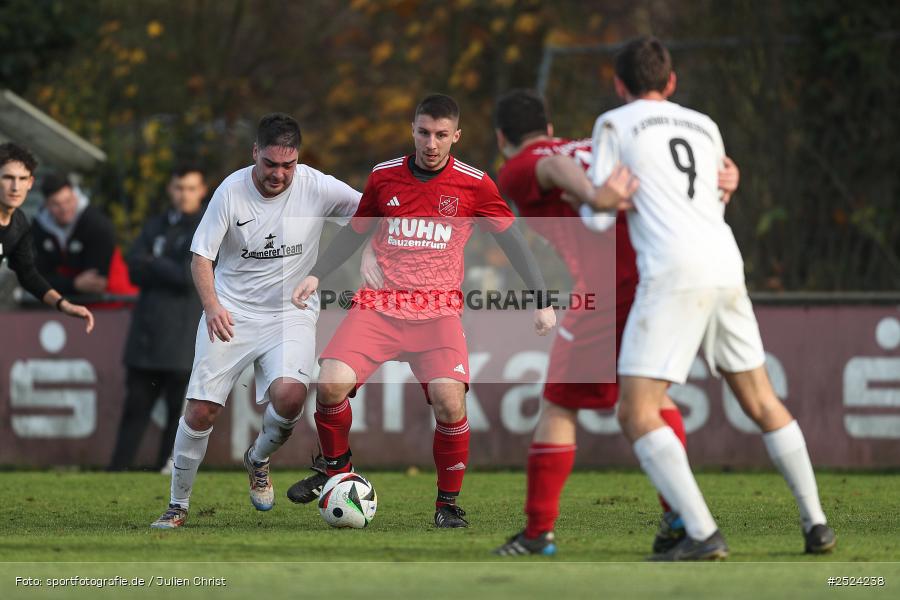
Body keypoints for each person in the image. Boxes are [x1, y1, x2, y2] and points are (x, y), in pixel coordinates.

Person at [592, 37, 835, 560]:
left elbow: (598, 213)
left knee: (636, 413)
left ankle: (702, 532)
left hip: (672, 270)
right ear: (672, 82)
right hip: (725, 262)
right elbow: (721, 190)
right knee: (761, 399)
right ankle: (816, 523)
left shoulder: (614, 123)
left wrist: (594, 196)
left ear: (619, 85)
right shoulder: (704, 125)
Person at [489, 89, 742, 556]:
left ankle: (537, 532)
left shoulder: (519, 165)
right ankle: (681, 518)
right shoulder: (592, 145)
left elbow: (549, 169)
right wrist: (723, 172)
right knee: (652, 398)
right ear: (549, 127)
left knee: (559, 406)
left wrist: (592, 197)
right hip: (657, 277)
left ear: (502, 137)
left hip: (609, 288)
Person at [286, 94, 557, 528]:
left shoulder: (475, 184)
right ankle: (334, 470)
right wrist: (317, 272)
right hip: (378, 306)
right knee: (331, 382)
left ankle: (446, 505)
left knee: (451, 403)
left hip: (437, 314)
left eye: (442, 135)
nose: (432, 143)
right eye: (424, 133)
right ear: (413, 130)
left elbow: (513, 241)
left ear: (456, 136)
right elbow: (355, 232)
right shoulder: (384, 177)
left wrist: (541, 299)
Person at [150, 113, 362, 529]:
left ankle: (258, 458)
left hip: (291, 313)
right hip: (231, 310)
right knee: (200, 413)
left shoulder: (317, 186)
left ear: (298, 160)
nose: (279, 174)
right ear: (255, 155)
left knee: (289, 398)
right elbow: (201, 257)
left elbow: (371, 211)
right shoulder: (230, 191)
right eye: (270, 164)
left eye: (288, 165)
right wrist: (212, 307)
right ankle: (177, 505)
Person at [108, 165, 208, 472]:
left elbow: (185, 276)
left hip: (181, 336)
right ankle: (116, 470)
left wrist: (153, 261)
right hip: (146, 335)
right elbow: (133, 268)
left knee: (178, 414)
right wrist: (158, 265)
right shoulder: (156, 225)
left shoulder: (206, 226)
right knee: (134, 409)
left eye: (191, 188)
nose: (184, 195)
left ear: (202, 191)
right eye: (179, 188)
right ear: (170, 189)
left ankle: (167, 469)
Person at [0, 143, 94, 331]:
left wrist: (63, 304)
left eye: (22, 179)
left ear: (30, 183)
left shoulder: (19, 224)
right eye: (8, 178)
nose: (15, 187)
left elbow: (27, 273)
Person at [32, 172, 118, 303]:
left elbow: (96, 283)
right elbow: (35, 278)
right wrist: (74, 284)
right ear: (46, 205)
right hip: (63, 306)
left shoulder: (97, 224)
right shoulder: (38, 228)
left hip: (113, 304)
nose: (64, 208)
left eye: (68, 201)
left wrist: (59, 283)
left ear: (75, 196)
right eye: (56, 204)